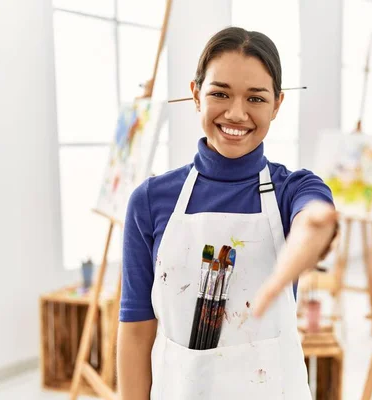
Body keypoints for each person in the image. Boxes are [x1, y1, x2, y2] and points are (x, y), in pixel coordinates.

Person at [117, 26, 338, 399]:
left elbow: (311, 221)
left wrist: (313, 234)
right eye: (220, 93)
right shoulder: (150, 200)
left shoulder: (295, 190)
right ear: (195, 95)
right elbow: (137, 330)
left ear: (277, 104)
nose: (237, 114)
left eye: (256, 98)